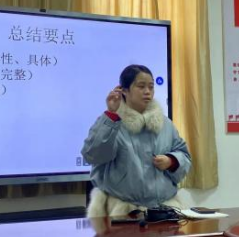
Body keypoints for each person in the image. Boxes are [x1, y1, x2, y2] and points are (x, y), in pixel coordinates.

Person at [82, 65, 192, 218]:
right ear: (124, 90)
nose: (147, 91)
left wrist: (172, 161)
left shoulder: (165, 124)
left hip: (163, 210)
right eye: (141, 86)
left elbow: (184, 155)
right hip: (121, 212)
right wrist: (111, 115)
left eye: (151, 87)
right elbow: (93, 155)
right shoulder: (111, 122)